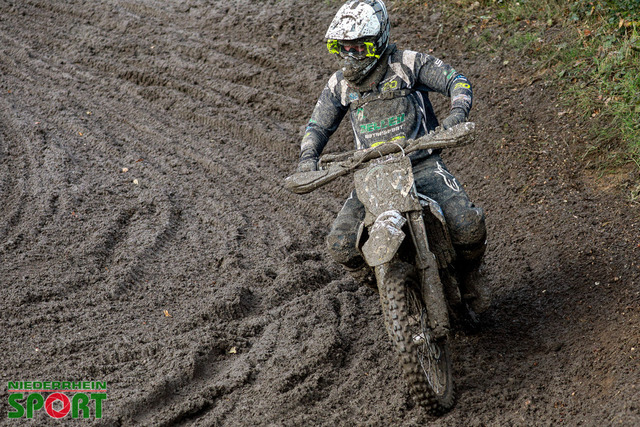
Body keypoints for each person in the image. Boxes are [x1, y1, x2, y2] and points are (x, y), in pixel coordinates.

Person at [296, 0, 488, 312]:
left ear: (379, 40)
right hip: (371, 175)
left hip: (421, 163)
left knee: (467, 225)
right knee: (342, 245)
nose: (350, 56)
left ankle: (469, 277)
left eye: (359, 48)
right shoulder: (339, 84)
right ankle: (388, 286)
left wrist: (456, 114)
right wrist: (308, 157)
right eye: (342, 48)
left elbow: (456, 80)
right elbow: (318, 125)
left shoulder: (408, 64)